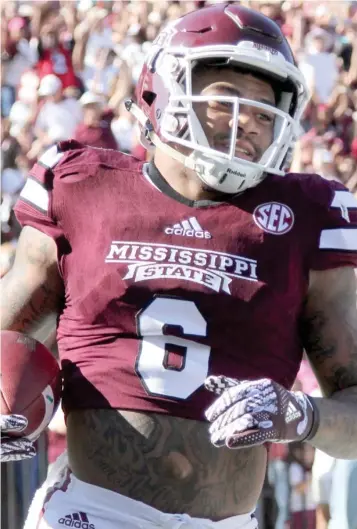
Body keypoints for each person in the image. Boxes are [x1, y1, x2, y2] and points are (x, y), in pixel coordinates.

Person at [1, 4, 357, 529]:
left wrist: (298, 414)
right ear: (162, 91)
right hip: (93, 511)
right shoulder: (82, 185)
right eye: (226, 100)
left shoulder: (306, 214)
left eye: (264, 110)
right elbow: (8, 333)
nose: (248, 123)